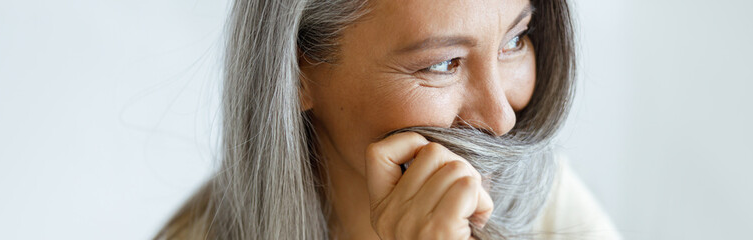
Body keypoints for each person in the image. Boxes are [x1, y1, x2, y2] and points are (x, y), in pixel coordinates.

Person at [157, 0, 620, 239]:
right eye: (442, 64)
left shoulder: (546, 197)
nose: (501, 120)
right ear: (295, 71)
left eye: (515, 40)